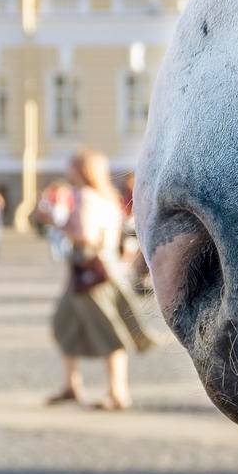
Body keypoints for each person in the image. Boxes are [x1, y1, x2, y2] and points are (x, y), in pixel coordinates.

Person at [49, 150, 155, 411]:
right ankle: (71, 384)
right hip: (101, 269)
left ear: (82, 170)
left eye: (72, 165)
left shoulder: (84, 196)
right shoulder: (108, 197)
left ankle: (118, 392)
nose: (67, 170)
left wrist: (55, 222)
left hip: (92, 272)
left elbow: (84, 235)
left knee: (107, 331)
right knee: (64, 324)